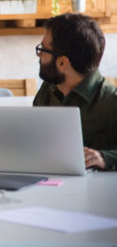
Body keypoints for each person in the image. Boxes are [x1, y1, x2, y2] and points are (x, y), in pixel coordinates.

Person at [33, 13, 117, 171]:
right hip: (48, 187)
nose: (39, 55)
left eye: (43, 49)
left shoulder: (112, 102)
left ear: (62, 62)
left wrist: (105, 158)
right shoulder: (47, 91)